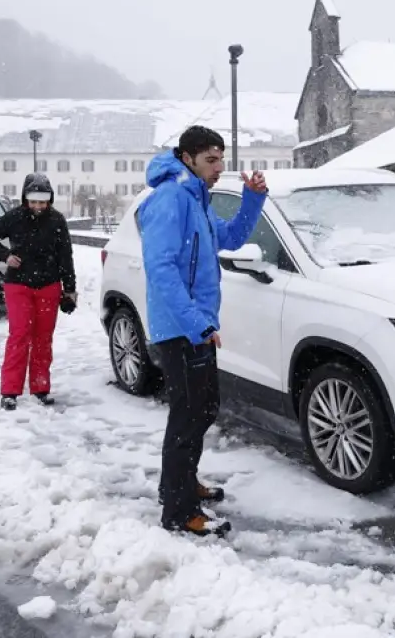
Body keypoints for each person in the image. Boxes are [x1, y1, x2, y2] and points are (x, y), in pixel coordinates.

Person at [138, 125, 268, 538]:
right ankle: (179, 511)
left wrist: (252, 200)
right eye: (211, 159)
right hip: (181, 327)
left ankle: (177, 484)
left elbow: (227, 238)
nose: (219, 167)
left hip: (198, 325)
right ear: (187, 157)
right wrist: (196, 322)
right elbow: (160, 268)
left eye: (221, 159)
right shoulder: (171, 198)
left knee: (201, 409)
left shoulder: (196, 196)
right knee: (189, 415)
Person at [0, 172, 77, 411]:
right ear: (25, 199)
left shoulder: (57, 221)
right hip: (18, 285)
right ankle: (10, 391)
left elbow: (66, 256)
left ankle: (40, 387)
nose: (38, 206)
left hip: (49, 285)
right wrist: (5, 255)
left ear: (50, 200)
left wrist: (70, 289)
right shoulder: (13, 218)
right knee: (19, 336)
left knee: (43, 338)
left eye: (42, 202)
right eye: (33, 201)